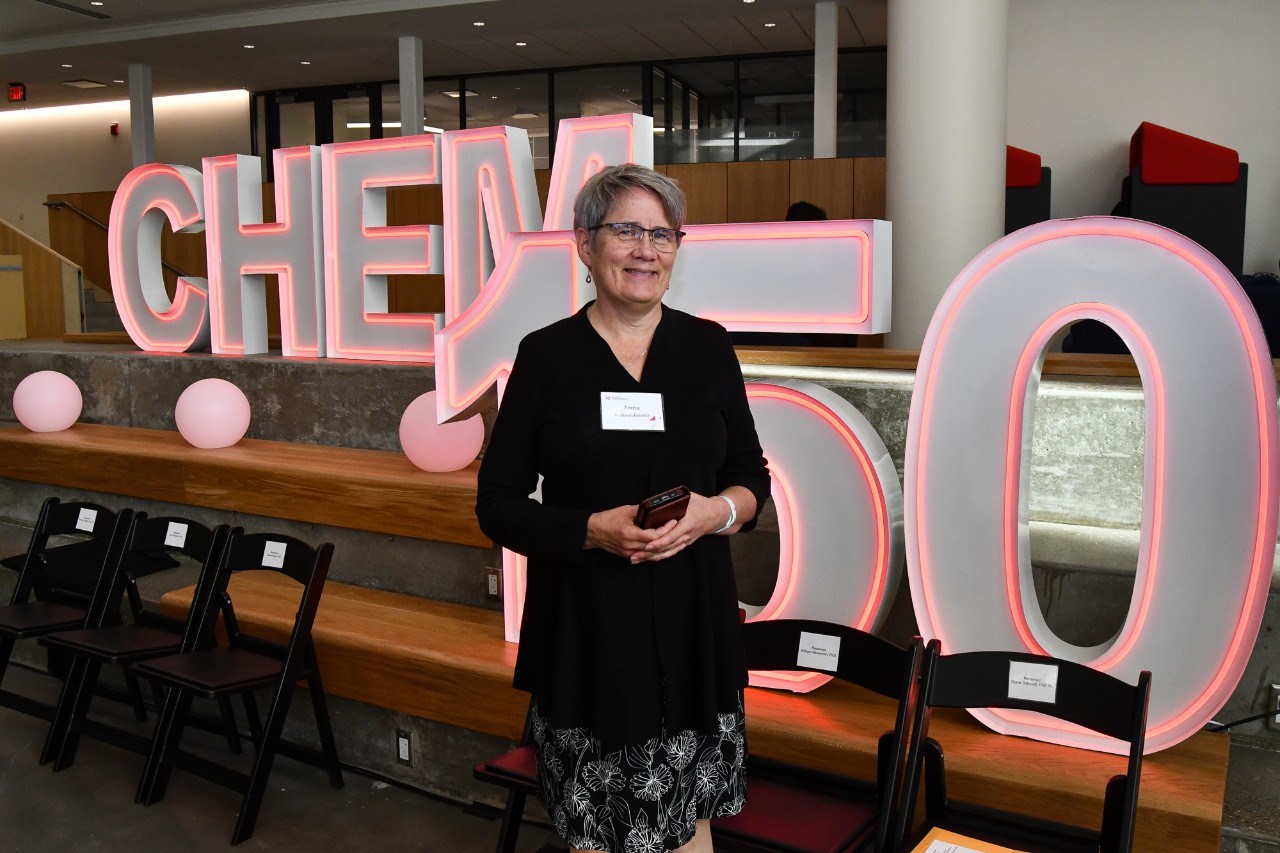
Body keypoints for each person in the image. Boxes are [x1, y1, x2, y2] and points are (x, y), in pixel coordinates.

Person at [476, 164, 771, 853]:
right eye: (627, 231)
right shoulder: (546, 357)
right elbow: (497, 504)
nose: (647, 250)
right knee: (599, 831)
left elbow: (749, 477)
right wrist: (589, 531)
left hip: (695, 629)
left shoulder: (707, 347)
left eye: (663, 234)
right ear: (585, 244)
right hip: (588, 634)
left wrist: (716, 513)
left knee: (691, 824)